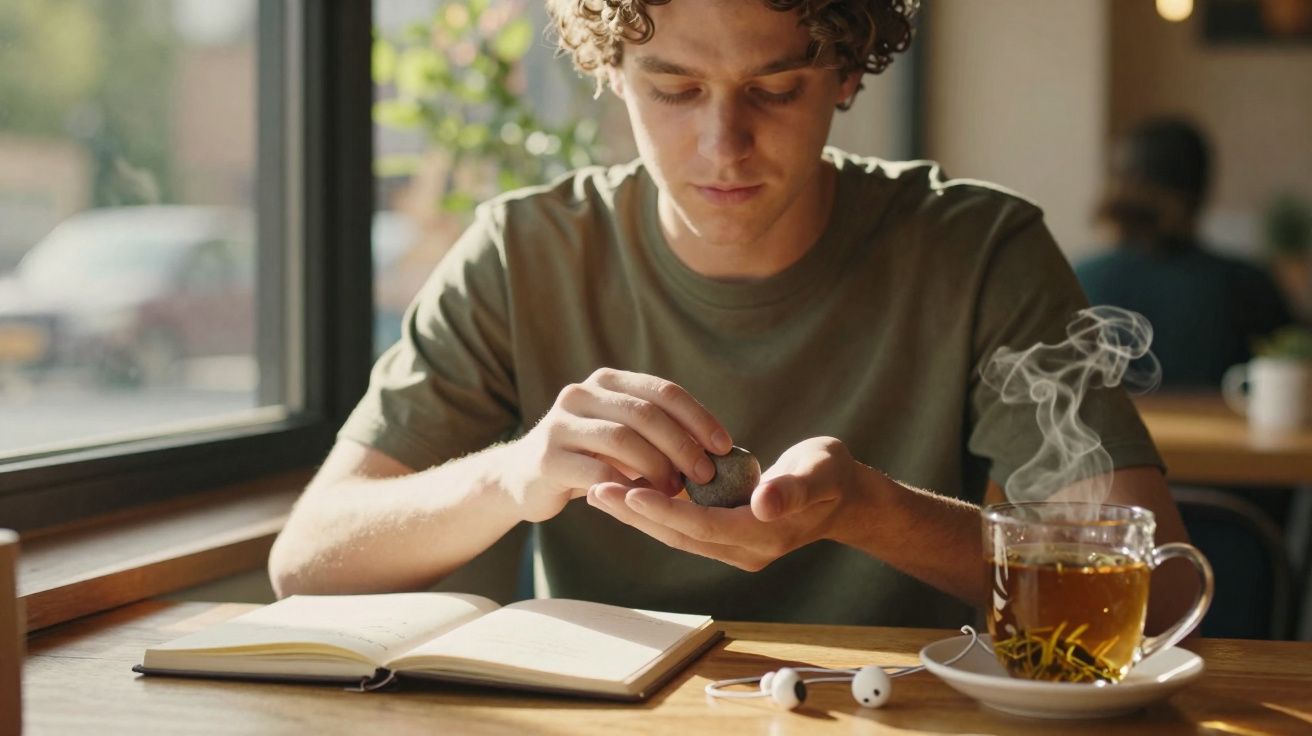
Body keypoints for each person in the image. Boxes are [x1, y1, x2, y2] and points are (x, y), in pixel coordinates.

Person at [270, 0, 1196, 633]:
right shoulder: (524, 254)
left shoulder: (978, 250)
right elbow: (307, 562)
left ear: (844, 73)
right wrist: (516, 475)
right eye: (673, 90)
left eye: (776, 88)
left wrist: (870, 512)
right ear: (612, 71)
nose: (723, 144)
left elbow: (1151, 601)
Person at [1075, 117, 1292, 389]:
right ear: (1202, 190)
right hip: (1224, 432)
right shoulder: (1249, 286)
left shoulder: (1078, 280)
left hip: (1101, 433)